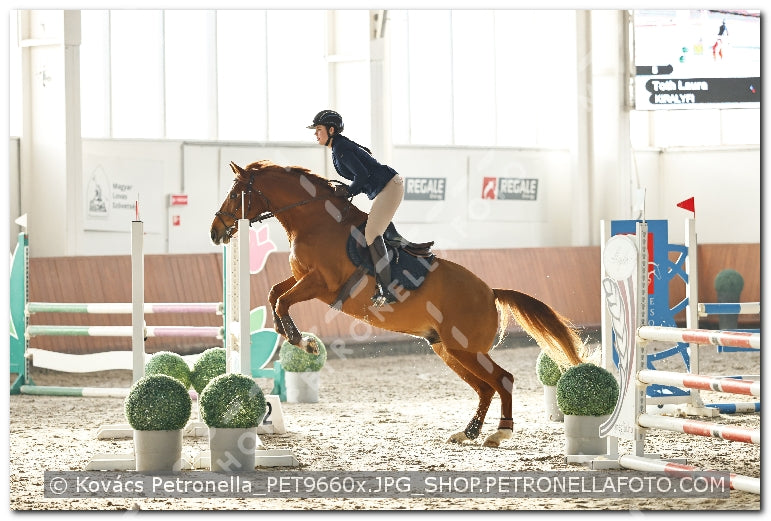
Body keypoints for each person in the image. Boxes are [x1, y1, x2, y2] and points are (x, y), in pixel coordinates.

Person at [308, 109, 404, 306]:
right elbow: (362, 177)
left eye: (318, 129)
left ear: (331, 130)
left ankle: (388, 289)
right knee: (372, 231)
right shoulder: (339, 147)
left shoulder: (340, 149)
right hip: (386, 188)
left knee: (371, 234)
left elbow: (362, 176)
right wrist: (348, 190)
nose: (315, 134)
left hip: (389, 187)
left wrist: (349, 191)